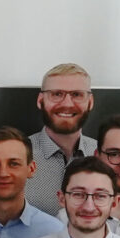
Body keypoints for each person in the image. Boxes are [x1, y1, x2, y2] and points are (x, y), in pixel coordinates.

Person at [23, 63, 97, 208]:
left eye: (77, 94)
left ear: (90, 102)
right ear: (40, 100)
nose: (67, 104)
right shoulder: (16, 156)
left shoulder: (106, 156)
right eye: (57, 94)